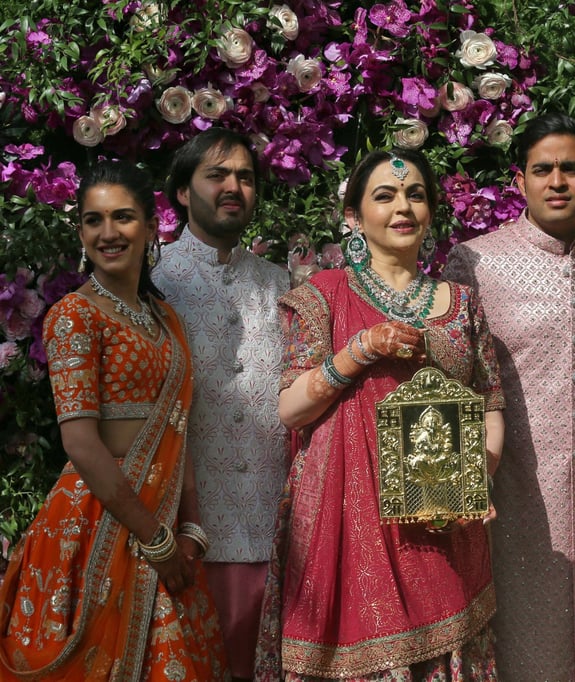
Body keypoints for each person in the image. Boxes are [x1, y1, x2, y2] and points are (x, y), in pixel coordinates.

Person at [253, 149, 505, 680]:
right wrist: (359, 350)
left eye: (415, 195)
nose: (403, 207)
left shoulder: (462, 303)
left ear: (431, 212)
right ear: (353, 217)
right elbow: (292, 408)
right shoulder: (322, 297)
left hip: (441, 514)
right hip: (347, 522)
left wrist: (478, 477)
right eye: (385, 196)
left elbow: (488, 403)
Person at [0, 161, 229, 678]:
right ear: (81, 232)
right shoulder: (73, 316)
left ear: (151, 227)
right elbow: (81, 444)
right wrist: (155, 538)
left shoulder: (166, 318)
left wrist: (188, 523)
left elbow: (178, 425)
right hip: (97, 521)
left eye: (123, 218)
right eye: (93, 220)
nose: (108, 233)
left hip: (164, 520)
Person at [445, 112, 575, 680]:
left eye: (571, 169)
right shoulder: (476, 262)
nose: (558, 181)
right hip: (511, 493)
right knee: (521, 642)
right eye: (543, 169)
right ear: (520, 181)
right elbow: (454, 380)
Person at [151, 128, 290, 681]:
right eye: (217, 175)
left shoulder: (282, 284)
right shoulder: (152, 284)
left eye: (246, 177)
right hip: (188, 538)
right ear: (183, 191)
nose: (234, 186)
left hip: (276, 529)